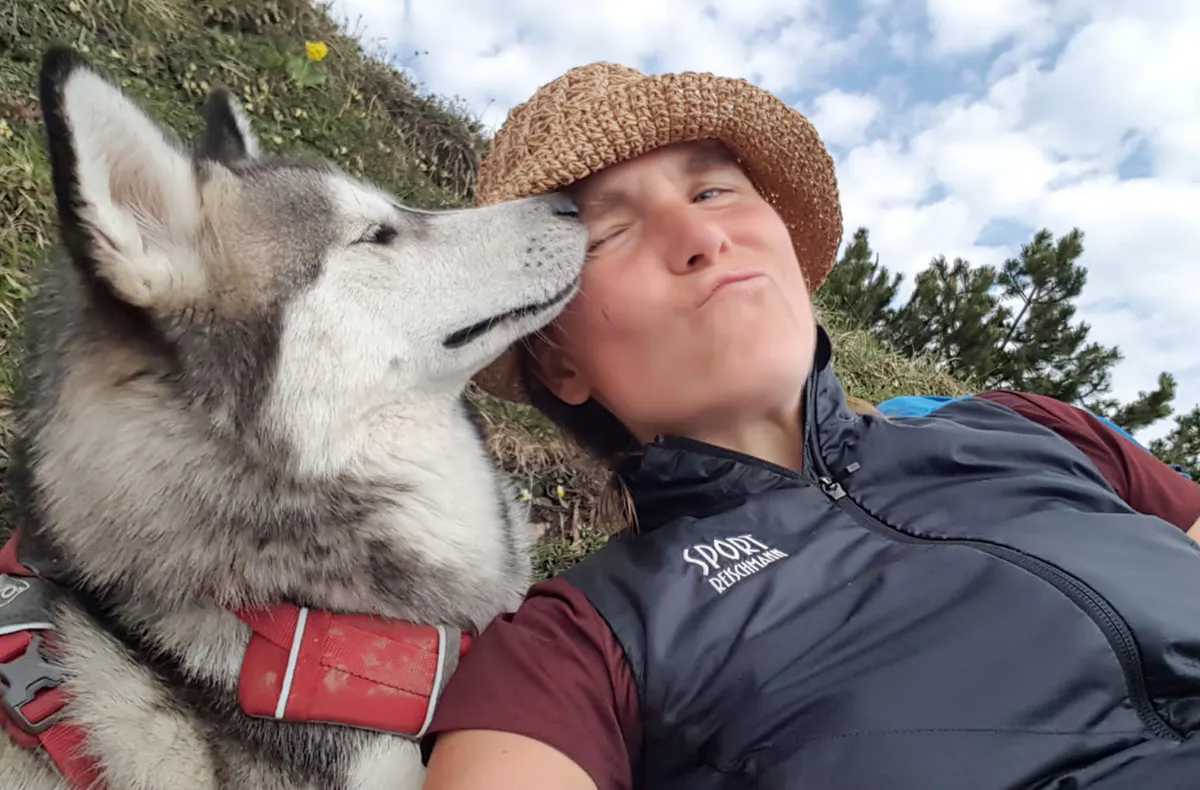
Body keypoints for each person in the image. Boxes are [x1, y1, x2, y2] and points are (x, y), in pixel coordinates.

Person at [418, 62, 1200, 790]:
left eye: (713, 192)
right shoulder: (578, 646)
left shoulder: (1031, 427)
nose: (699, 239)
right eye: (609, 233)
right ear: (560, 364)